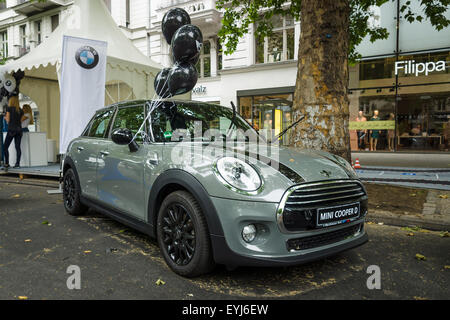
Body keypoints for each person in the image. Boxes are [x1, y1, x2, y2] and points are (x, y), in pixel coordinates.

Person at [4, 96, 24, 168]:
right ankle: (17, 163)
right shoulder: (21, 110)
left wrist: (5, 117)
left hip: (11, 130)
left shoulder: (9, 109)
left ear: (11, 101)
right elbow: (20, 121)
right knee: (17, 147)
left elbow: (8, 120)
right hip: (19, 130)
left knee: (5, 147)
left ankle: (7, 163)